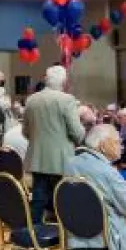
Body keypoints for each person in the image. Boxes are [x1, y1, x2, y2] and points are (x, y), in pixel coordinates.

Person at [23, 65, 85, 223]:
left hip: (37, 156)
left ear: (46, 80)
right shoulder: (67, 100)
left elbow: (25, 132)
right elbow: (77, 132)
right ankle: (64, 232)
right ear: (64, 82)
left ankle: (34, 231)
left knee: (38, 197)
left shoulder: (31, 99)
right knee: (62, 197)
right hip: (61, 158)